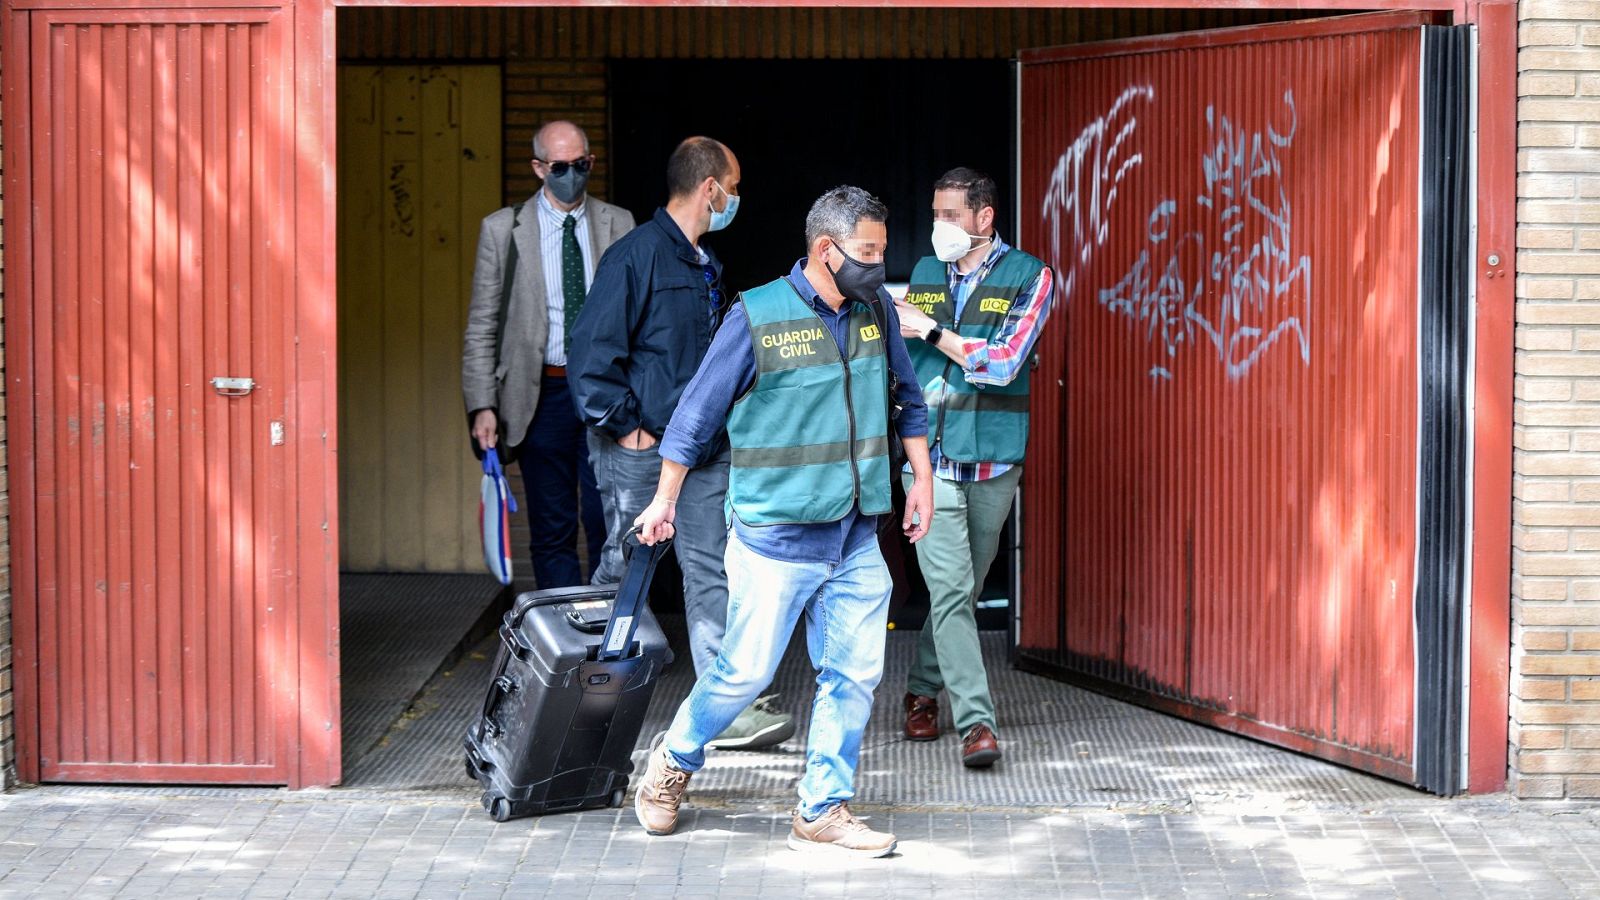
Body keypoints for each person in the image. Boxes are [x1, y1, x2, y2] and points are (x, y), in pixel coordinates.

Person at [631, 186, 934, 858]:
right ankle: (672, 764)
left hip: (856, 536)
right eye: (868, 253)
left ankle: (822, 808)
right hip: (776, 540)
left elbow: (909, 402)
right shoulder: (758, 316)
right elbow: (695, 418)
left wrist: (922, 483)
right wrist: (664, 501)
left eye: (881, 252)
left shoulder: (877, 310)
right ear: (825, 252)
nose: (879, 267)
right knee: (743, 674)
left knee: (853, 676)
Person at [569, 137, 795, 751]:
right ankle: (584, 699)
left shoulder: (705, 264)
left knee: (712, 570)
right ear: (710, 189)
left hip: (702, 449)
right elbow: (589, 356)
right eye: (735, 185)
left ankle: (726, 706)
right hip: (642, 450)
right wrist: (628, 429)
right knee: (626, 570)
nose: (738, 198)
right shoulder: (634, 258)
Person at [892, 167, 1058, 768]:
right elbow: (904, 355)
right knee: (953, 588)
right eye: (935, 214)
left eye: (951, 215)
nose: (940, 227)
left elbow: (1004, 362)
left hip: (991, 461)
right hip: (927, 462)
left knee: (957, 593)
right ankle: (977, 726)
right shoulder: (926, 272)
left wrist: (932, 329)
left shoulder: (1030, 276)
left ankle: (919, 690)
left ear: (984, 218)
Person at [461, 120, 633, 589]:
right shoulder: (502, 230)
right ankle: (565, 642)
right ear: (539, 167)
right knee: (552, 526)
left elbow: (637, 317)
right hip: (541, 395)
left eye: (582, 165)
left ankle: (609, 638)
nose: (572, 175)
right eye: (560, 167)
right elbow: (482, 324)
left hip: (604, 392)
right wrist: (482, 404)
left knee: (609, 522)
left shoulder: (620, 223)